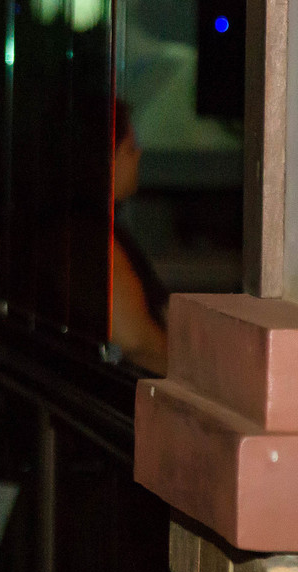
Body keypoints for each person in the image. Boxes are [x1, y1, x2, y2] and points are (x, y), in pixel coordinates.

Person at [111, 101, 169, 374]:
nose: (139, 156)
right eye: (130, 149)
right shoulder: (90, 240)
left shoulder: (114, 233)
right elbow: (137, 341)